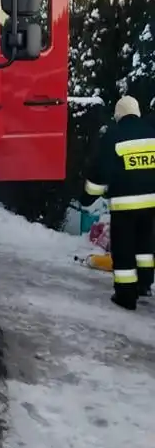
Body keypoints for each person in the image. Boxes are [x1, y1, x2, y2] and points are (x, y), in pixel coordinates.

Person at [83, 95, 155, 309]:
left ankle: (126, 296)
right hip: (151, 204)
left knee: (124, 250)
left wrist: (87, 197)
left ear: (118, 115)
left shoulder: (113, 137)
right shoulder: (152, 134)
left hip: (125, 206)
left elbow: (100, 174)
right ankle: (144, 285)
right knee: (145, 247)